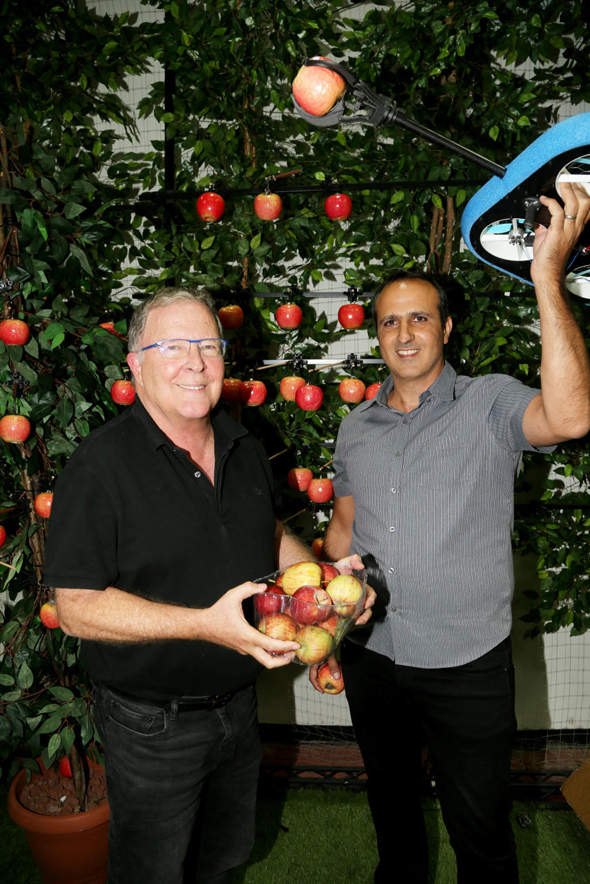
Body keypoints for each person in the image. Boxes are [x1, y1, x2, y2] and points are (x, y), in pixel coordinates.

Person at [310, 182, 590, 883]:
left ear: (445, 328)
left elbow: (571, 417)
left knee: (480, 833)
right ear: (376, 333)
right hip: (375, 658)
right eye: (388, 322)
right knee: (393, 813)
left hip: (467, 665)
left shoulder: (487, 402)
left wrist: (546, 278)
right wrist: (326, 629)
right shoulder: (356, 426)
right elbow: (345, 525)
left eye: (419, 319)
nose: (403, 334)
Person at [43, 286, 370, 884]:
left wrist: (324, 585)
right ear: (135, 365)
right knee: (153, 873)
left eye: (207, 345)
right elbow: (77, 608)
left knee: (223, 862)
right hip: (150, 726)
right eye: (172, 346)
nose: (194, 362)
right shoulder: (98, 470)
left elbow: (266, 535)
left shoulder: (246, 446)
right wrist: (202, 625)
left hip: (238, 711)